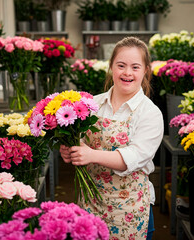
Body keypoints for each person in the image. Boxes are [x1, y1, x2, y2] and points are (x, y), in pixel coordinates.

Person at [60, 36, 164, 239]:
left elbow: (134, 156)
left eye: (135, 67)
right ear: (111, 67)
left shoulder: (150, 113)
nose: (127, 73)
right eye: (121, 65)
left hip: (128, 210)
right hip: (89, 202)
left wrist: (90, 155)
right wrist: (71, 151)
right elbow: (81, 143)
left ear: (145, 71)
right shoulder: (92, 104)